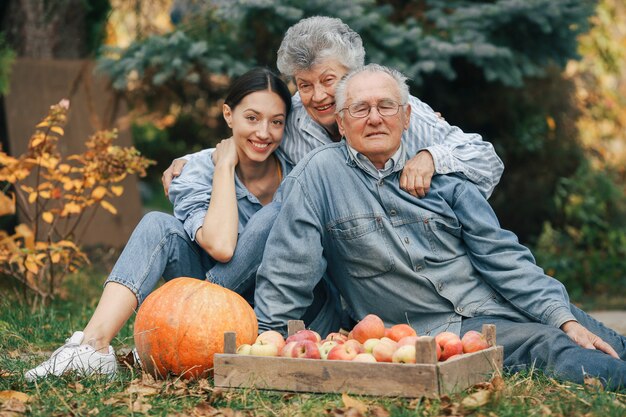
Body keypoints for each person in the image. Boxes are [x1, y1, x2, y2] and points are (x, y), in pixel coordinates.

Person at [253, 64, 626, 390]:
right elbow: (289, 268)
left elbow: (504, 258)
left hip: (502, 305)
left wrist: (561, 317)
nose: (375, 117)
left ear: (407, 117)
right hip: (439, 333)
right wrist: (264, 345)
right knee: (550, 346)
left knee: (600, 336)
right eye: (360, 108)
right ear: (341, 120)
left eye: (386, 106)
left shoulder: (444, 177)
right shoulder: (319, 176)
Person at [160, 17, 505, 329]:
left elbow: (486, 160)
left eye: (328, 80)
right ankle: (206, 313)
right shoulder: (292, 118)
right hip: (330, 251)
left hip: (397, 249)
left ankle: (196, 311)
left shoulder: (389, 108)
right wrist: (193, 162)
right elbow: (253, 138)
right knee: (281, 211)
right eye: (304, 84)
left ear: (352, 74)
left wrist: (431, 156)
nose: (319, 96)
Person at [22, 67, 334, 381]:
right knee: (156, 224)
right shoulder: (197, 170)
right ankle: (92, 346)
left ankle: (217, 331)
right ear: (228, 114)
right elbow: (221, 246)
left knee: (275, 212)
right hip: (206, 314)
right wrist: (224, 167)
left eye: (276, 122)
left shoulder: (299, 172)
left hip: (275, 313)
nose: (264, 133)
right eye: (251, 118)